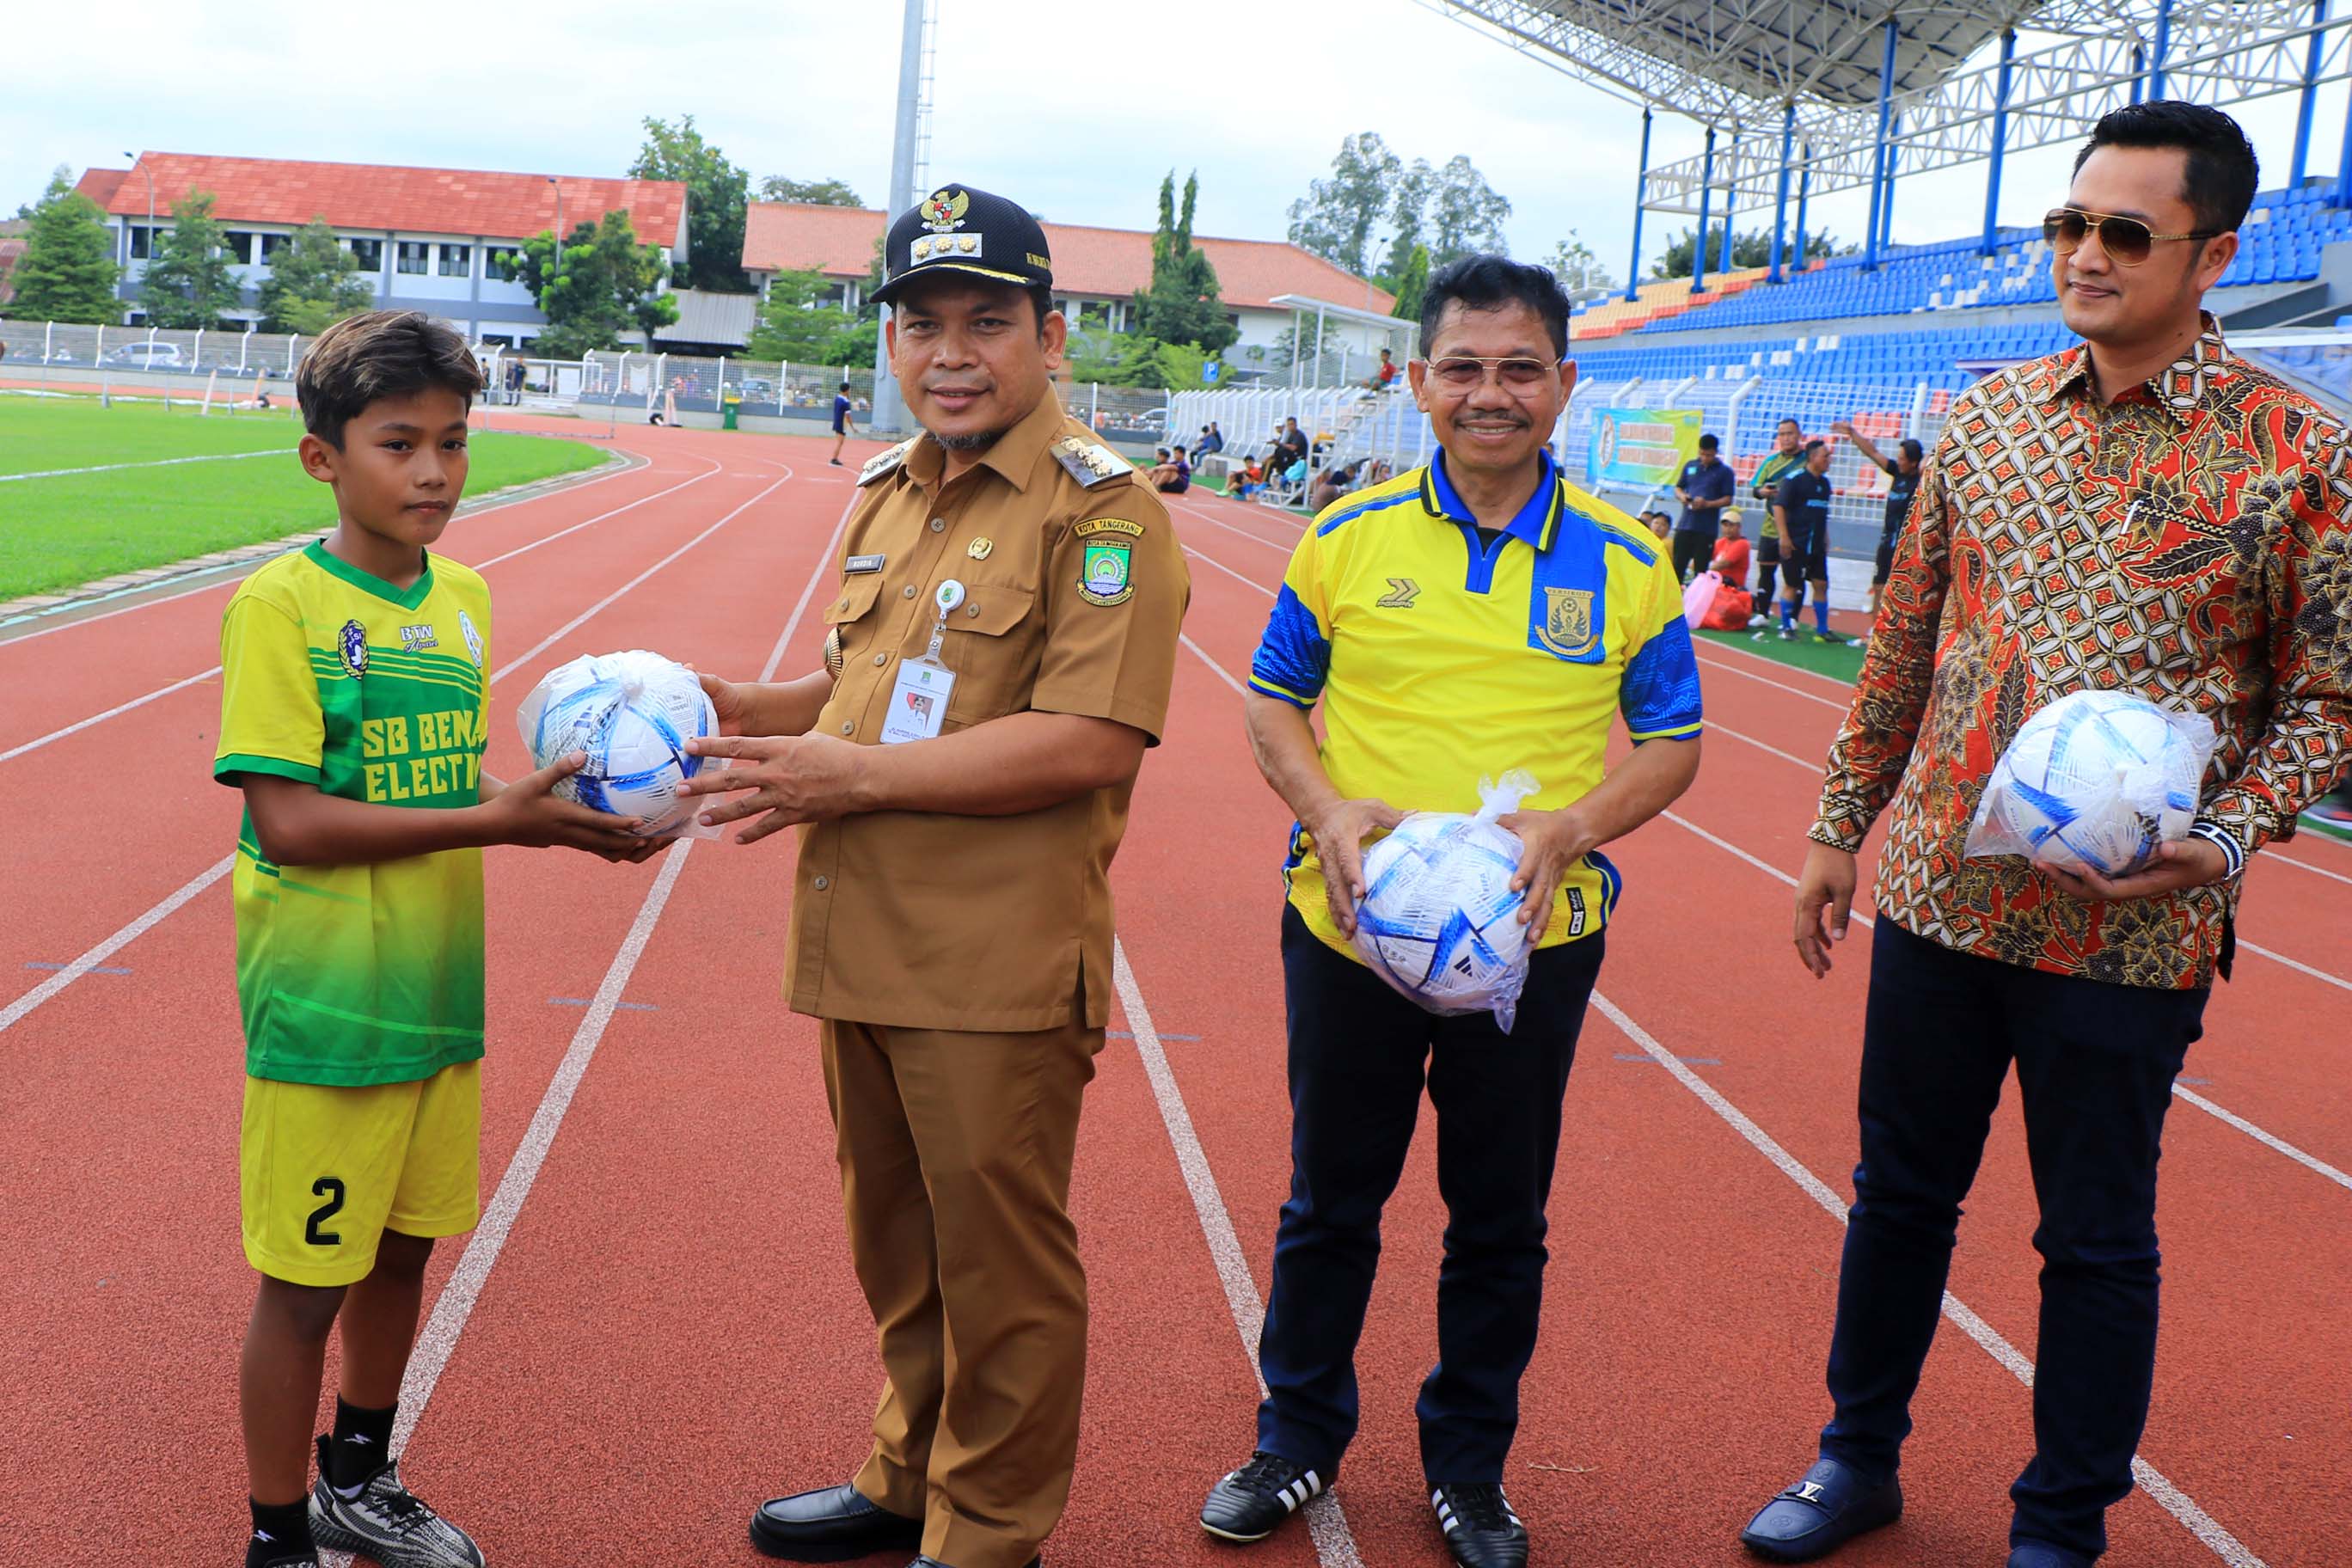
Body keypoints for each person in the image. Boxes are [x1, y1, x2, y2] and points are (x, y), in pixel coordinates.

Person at [1743, 101, 2352, 1568]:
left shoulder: (2298, 454)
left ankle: (2060, 1522)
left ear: (2207, 254)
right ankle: (1854, 1457)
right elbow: (1902, 635)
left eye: (2124, 232)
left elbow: (2330, 703)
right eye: (2069, 224)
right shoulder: (1988, 416)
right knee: (1898, 1194)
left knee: (2092, 1239)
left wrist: (2222, 840)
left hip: (2131, 923)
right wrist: (1840, 823)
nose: (2085, 253)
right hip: (1941, 897)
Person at [683, 185, 1189, 1568]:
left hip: (992, 966)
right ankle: (909, 1473)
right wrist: (745, 702)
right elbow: (866, 689)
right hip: (863, 940)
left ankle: (986, 1535)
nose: (950, 351)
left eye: (986, 322)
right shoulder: (894, 492)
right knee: (899, 1248)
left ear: (1050, 334)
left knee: (1002, 1272)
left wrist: (849, 778)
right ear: (891, 340)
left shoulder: (1105, 514)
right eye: (922, 323)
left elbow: (1086, 738)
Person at [1203, 255, 1702, 1568]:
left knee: (1499, 1218)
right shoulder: (1347, 539)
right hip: (1348, 929)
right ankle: (1295, 1438)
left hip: (1531, 946)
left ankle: (1468, 1470)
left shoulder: (1630, 561)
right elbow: (1270, 702)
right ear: (1418, 384)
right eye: (1465, 369)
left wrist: (1571, 827)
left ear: (1565, 385)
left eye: (1520, 368)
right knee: (1331, 1203)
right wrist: (1323, 807)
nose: (1493, 394)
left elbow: (1672, 742)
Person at [215, 311, 644, 1568]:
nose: (435, 473)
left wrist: (554, 823)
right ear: (322, 460)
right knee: (305, 1287)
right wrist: (506, 826)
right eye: (399, 443)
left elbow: (454, 798)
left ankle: (360, 1478)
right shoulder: (279, 605)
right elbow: (288, 822)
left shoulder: (462, 597)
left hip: (438, 994)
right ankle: (277, 1535)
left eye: (454, 442)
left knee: (403, 1254)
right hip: (330, 1008)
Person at [1831, 420, 1923, 626]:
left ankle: (1897, 629)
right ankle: (1875, 630)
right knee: (1879, 585)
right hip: (1886, 542)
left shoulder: (1920, 480)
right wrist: (1853, 433)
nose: (1898, 461)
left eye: (1902, 458)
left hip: (1907, 546)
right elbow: (1873, 453)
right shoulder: (1896, 473)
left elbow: (1929, 463)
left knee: (1901, 589)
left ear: (1914, 462)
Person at [1764, 438, 1839, 644]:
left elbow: (1821, 513)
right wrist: (1784, 537)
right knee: (1792, 584)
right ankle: (1786, 627)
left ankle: (1823, 629)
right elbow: (1779, 507)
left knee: (1821, 584)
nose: (1829, 460)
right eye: (1826, 456)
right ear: (1813, 457)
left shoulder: (1824, 484)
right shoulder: (1795, 480)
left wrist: (1825, 537)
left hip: (1816, 545)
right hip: (1796, 541)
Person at [1746, 417, 1804, 626]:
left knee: (1794, 575)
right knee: (1766, 570)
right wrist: (1764, 492)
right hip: (1770, 526)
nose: (1786, 438)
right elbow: (1755, 489)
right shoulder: (1770, 462)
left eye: (1790, 433)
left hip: (1797, 528)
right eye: (1782, 434)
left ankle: (1793, 618)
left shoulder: (1806, 461)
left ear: (1799, 435)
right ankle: (1763, 613)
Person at [1671, 432, 1736, 582]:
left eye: (1709, 455)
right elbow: (1678, 488)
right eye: (1702, 454)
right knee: (1677, 567)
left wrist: (1708, 504)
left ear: (1715, 452)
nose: (1705, 458)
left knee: (1700, 571)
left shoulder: (1724, 472)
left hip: (1706, 529)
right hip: (1685, 525)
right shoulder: (1690, 466)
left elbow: (1728, 499)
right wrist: (1683, 497)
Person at [1709, 507, 1752, 589]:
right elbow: (1704, 557)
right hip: (1718, 583)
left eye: (1731, 525)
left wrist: (1702, 571)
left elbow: (1723, 564)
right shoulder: (1720, 542)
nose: (1728, 529)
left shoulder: (1743, 544)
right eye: (1725, 525)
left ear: (1739, 527)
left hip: (1732, 587)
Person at [830, 378, 859, 466]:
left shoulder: (837, 398)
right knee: (840, 442)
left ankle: (834, 458)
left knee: (839, 441)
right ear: (847, 390)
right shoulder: (846, 402)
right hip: (842, 424)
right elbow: (848, 416)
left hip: (836, 421)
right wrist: (852, 427)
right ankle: (834, 458)